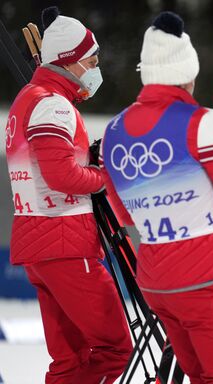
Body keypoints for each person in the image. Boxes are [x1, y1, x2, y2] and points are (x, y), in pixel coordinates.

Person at [100, 12, 213, 384]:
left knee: (199, 376)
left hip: (156, 282)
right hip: (202, 278)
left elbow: (124, 214)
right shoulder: (201, 122)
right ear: (186, 70)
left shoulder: (113, 131)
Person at [4, 6, 132, 384]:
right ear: (70, 61)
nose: (96, 68)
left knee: (71, 361)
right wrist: (104, 175)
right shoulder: (52, 104)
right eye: (91, 60)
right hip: (65, 242)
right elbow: (61, 176)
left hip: (41, 243)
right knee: (114, 348)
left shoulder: (30, 98)